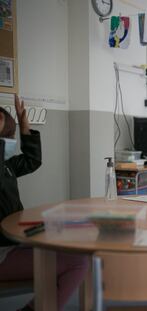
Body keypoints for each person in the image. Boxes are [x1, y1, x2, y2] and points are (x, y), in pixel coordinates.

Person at [0, 95, 88, 311]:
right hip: (3, 250)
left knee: (68, 238)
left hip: (13, 239)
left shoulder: (7, 166)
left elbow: (32, 160)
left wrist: (23, 123)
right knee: (78, 262)